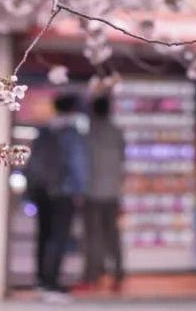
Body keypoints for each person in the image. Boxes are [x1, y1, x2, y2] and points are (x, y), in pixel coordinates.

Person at [25, 92, 88, 300]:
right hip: (63, 192)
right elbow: (77, 164)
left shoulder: (44, 130)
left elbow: (31, 162)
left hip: (42, 191)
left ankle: (41, 281)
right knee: (58, 237)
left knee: (43, 235)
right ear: (73, 109)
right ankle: (52, 284)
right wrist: (79, 190)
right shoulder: (71, 132)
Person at [83, 95, 125, 292]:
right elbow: (122, 160)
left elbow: (83, 163)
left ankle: (93, 275)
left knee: (93, 236)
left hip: (91, 192)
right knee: (113, 236)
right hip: (113, 192)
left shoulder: (89, 133)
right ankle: (118, 274)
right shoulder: (117, 133)